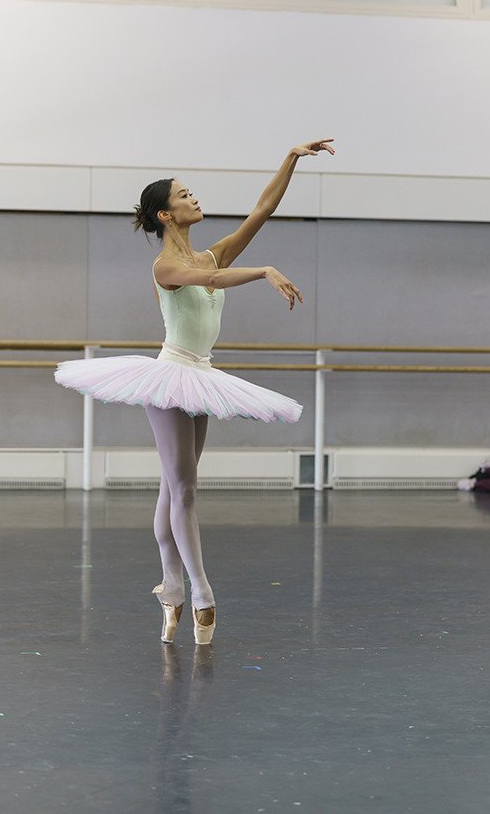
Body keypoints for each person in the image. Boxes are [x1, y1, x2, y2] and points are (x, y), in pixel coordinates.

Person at [55, 139, 336, 645]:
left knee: (173, 486)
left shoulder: (211, 251)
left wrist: (291, 158)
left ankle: (170, 587)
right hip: (169, 377)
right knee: (184, 489)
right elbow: (209, 278)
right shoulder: (165, 266)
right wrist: (264, 270)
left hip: (202, 375)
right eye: (185, 195)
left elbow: (262, 210)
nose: (195, 199)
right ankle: (201, 595)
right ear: (167, 213)